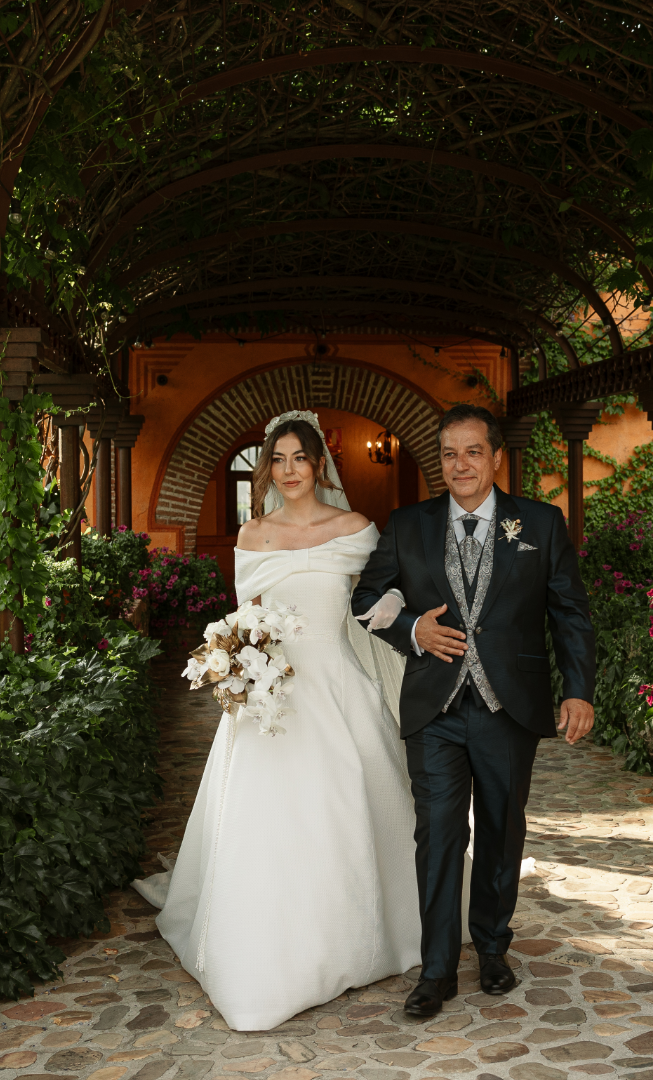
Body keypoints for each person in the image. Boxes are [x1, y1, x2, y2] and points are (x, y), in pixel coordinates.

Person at [133, 410, 418, 1032]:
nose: (289, 470)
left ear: (320, 464)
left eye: (300, 458)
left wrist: (400, 609)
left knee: (350, 803)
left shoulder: (355, 529)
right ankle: (267, 947)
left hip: (339, 687)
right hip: (274, 694)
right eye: (279, 460)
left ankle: (358, 934)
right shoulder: (253, 535)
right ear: (269, 468)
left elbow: (378, 600)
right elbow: (248, 617)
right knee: (267, 820)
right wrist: (236, 662)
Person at [352, 403, 596, 1019]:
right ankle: (436, 971)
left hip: (507, 707)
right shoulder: (409, 524)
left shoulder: (540, 522)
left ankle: (491, 948)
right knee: (436, 834)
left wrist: (579, 688)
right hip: (434, 707)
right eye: (448, 454)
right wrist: (412, 630)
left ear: (496, 457)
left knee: (499, 828)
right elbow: (364, 599)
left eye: (472, 452)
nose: (459, 465)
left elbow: (568, 611)